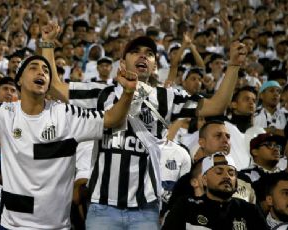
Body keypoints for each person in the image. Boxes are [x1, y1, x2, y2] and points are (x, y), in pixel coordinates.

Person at [0, 22, 137, 229]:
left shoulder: (66, 114)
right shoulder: (3, 113)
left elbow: (112, 119)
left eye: (46, 71)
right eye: (33, 68)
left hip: (56, 226)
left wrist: (128, 93)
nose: (41, 72)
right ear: (19, 80)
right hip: (13, 225)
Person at [43, 21, 246, 229]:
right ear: (122, 63)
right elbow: (56, 87)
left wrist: (233, 66)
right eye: (135, 51)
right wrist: (47, 44)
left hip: (145, 210)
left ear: (154, 65)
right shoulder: (102, 93)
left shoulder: (165, 98)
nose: (142, 55)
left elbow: (216, 106)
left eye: (149, 53)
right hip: (103, 207)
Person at [162, 153, 269, 230]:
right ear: (204, 180)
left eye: (231, 173)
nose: (227, 176)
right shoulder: (186, 206)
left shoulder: (249, 210)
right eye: (219, 172)